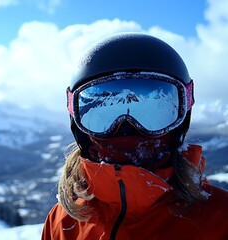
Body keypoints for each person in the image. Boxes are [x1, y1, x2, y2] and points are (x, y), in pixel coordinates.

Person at [41, 33, 228, 240]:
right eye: (102, 117)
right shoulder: (62, 223)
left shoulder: (220, 221)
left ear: (182, 117)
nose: (126, 127)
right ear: (77, 121)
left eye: (154, 113)